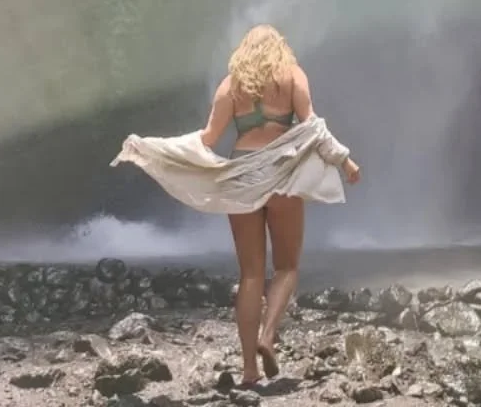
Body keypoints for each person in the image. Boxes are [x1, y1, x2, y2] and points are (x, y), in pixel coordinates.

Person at [113, 25, 361, 387]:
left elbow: (208, 139)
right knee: (288, 266)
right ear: (279, 49)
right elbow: (313, 128)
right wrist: (346, 163)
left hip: (241, 174)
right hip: (282, 174)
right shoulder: (292, 75)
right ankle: (268, 335)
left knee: (249, 275)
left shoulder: (231, 86)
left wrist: (157, 149)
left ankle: (248, 370)